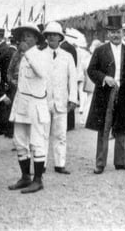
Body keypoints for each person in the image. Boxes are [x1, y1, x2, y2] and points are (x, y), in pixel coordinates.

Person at [85, 14, 125, 174]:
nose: (115, 35)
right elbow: (91, 70)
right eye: (112, 32)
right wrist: (104, 78)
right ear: (108, 34)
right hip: (105, 94)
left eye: (118, 32)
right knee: (104, 128)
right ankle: (100, 163)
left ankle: (121, 162)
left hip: (124, 94)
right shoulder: (100, 51)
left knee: (122, 128)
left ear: (122, 33)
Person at [7, 23, 50, 193]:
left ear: (36, 40)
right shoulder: (21, 56)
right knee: (19, 141)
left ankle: (38, 180)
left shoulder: (41, 55)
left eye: (29, 36)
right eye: (23, 36)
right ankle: (25, 177)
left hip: (35, 106)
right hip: (22, 105)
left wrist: (28, 54)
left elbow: (41, 73)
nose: (25, 39)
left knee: (37, 142)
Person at [42, 22, 78, 174]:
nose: (52, 37)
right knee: (42, 134)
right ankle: (40, 164)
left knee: (61, 134)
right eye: (49, 35)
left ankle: (60, 164)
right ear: (46, 37)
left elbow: (73, 79)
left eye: (55, 35)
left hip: (61, 101)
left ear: (60, 38)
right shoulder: (40, 55)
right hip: (43, 101)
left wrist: (73, 99)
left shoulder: (67, 56)